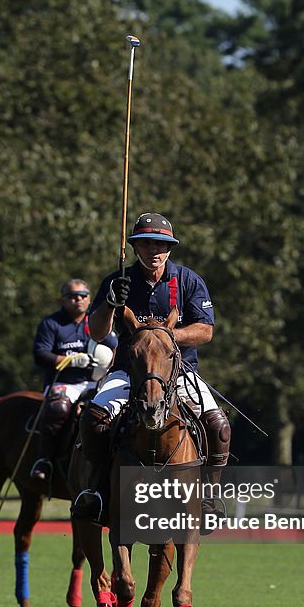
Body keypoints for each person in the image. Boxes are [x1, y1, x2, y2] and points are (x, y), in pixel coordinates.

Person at [72, 211, 231, 523]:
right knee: (92, 419)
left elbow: (206, 330)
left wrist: (165, 337)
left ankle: (210, 495)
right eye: (146, 244)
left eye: (161, 245)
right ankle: (97, 489)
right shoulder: (117, 281)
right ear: (135, 247)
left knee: (218, 426)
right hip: (126, 372)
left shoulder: (187, 280)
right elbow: (96, 331)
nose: (154, 251)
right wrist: (108, 302)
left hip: (179, 371)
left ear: (169, 248)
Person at [29, 278, 116, 483]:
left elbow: (115, 346)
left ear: (89, 299)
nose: (78, 299)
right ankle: (44, 460)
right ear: (63, 300)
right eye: (72, 296)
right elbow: (40, 355)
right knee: (58, 408)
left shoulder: (97, 321)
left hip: (96, 382)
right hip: (64, 382)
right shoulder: (52, 324)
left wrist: (110, 364)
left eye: (82, 296)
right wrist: (70, 360)